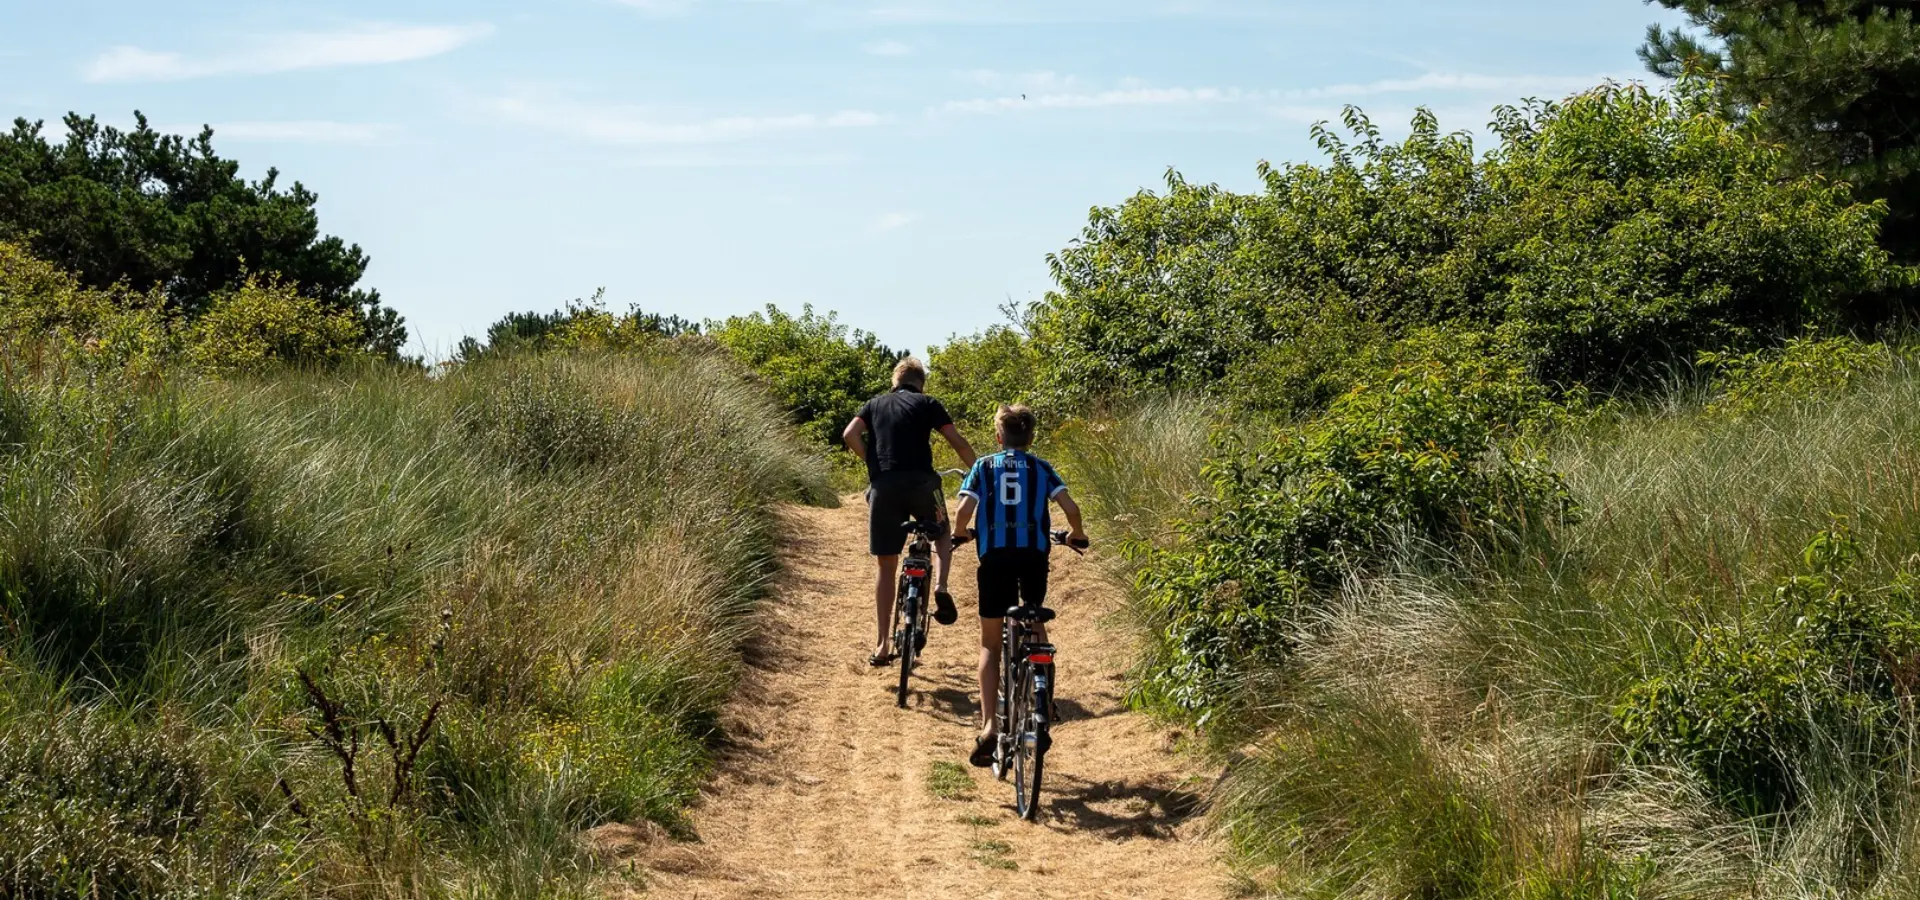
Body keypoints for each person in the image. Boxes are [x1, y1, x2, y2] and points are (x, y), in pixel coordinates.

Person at [949, 404, 1088, 767]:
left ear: (998, 436)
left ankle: (990, 725)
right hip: (1033, 558)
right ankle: (1043, 692)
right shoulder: (1041, 468)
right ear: (1031, 436)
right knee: (1034, 618)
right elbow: (1070, 508)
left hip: (995, 558)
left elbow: (964, 511)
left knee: (990, 644)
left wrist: (960, 534)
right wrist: (1077, 534)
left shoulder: (983, 466)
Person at [842, 358, 977, 667]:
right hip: (923, 484)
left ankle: (882, 644)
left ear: (895, 380)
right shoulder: (928, 403)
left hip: (884, 486)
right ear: (921, 383)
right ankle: (941, 587)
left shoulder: (875, 404)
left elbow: (850, 434)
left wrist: (872, 464)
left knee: (886, 566)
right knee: (942, 532)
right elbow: (957, 441)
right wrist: (980, 472)